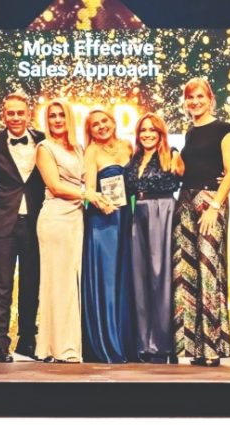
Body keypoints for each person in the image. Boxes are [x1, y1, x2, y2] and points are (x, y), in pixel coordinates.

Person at [35, 99, 110, 363]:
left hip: (77, 218)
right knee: (58, 284)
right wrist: (88, 194)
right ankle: (58, 348)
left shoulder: (79, 148)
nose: (57, 120)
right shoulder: (44, 148)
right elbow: (55, 186)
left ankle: (69, 346)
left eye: (61, 115)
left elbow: (90, 181)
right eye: (52, 116)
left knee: (72, 284)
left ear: (69, 118)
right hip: (55, 218)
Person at [172, 77, 230, 367]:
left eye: (200, 96)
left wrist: (214, 206)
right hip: (186, 203)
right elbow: (188, 170)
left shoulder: (224, 129)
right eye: (190, 97)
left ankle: (212, 347)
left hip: (210, 203)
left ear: (210, 99)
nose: (195, 102)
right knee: (189, 274)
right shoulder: (189, 133)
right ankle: (196, 348)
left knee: (209, 271)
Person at [0, 92, 45, 363]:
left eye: (20, 113)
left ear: (29, 114)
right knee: (2, 284)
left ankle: (27, 340)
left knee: (31, 283)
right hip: (3, 221)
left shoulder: (43, 140)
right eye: (10, 113)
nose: (16, 117)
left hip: (35, 222)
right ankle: (1, 343)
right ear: (3, 115)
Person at [124, 112, 183, 364]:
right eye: (143, 130)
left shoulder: (172, 154)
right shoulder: (134, 159)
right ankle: (143, 344)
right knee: (139, 278)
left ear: (161, 133)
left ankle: (162, 345)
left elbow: (191, 177)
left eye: (152, 130)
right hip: (138, 214)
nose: (147, 134)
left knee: (161, 277)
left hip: (163, 212)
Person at [81, 109, 137, 363]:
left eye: (104, 121)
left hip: (126, 219)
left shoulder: (127, 146)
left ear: (113, 122)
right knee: (107, 279)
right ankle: (108, 344)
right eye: (95, 125)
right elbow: (90, 190)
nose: (101, 126)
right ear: (90, 131)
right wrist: (101, 204)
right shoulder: (92, 151)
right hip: (103, 221)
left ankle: (126, 342)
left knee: (124, 278)